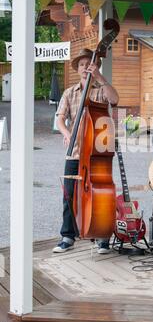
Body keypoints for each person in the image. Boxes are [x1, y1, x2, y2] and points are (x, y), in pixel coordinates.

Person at [52, 48, 119, 254]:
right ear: (77, 69)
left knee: (100, 194)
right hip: (75, 152)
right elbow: (59, 118)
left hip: (97, 150)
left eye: (88, 64)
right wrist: (66, 134)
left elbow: (114, 99)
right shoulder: (69, 92)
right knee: (69, 195)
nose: (84, 68)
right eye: (81, 65)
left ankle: (102, 236)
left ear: (95, 66)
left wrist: (99, 77)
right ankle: (68, 235)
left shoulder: (100, 89)